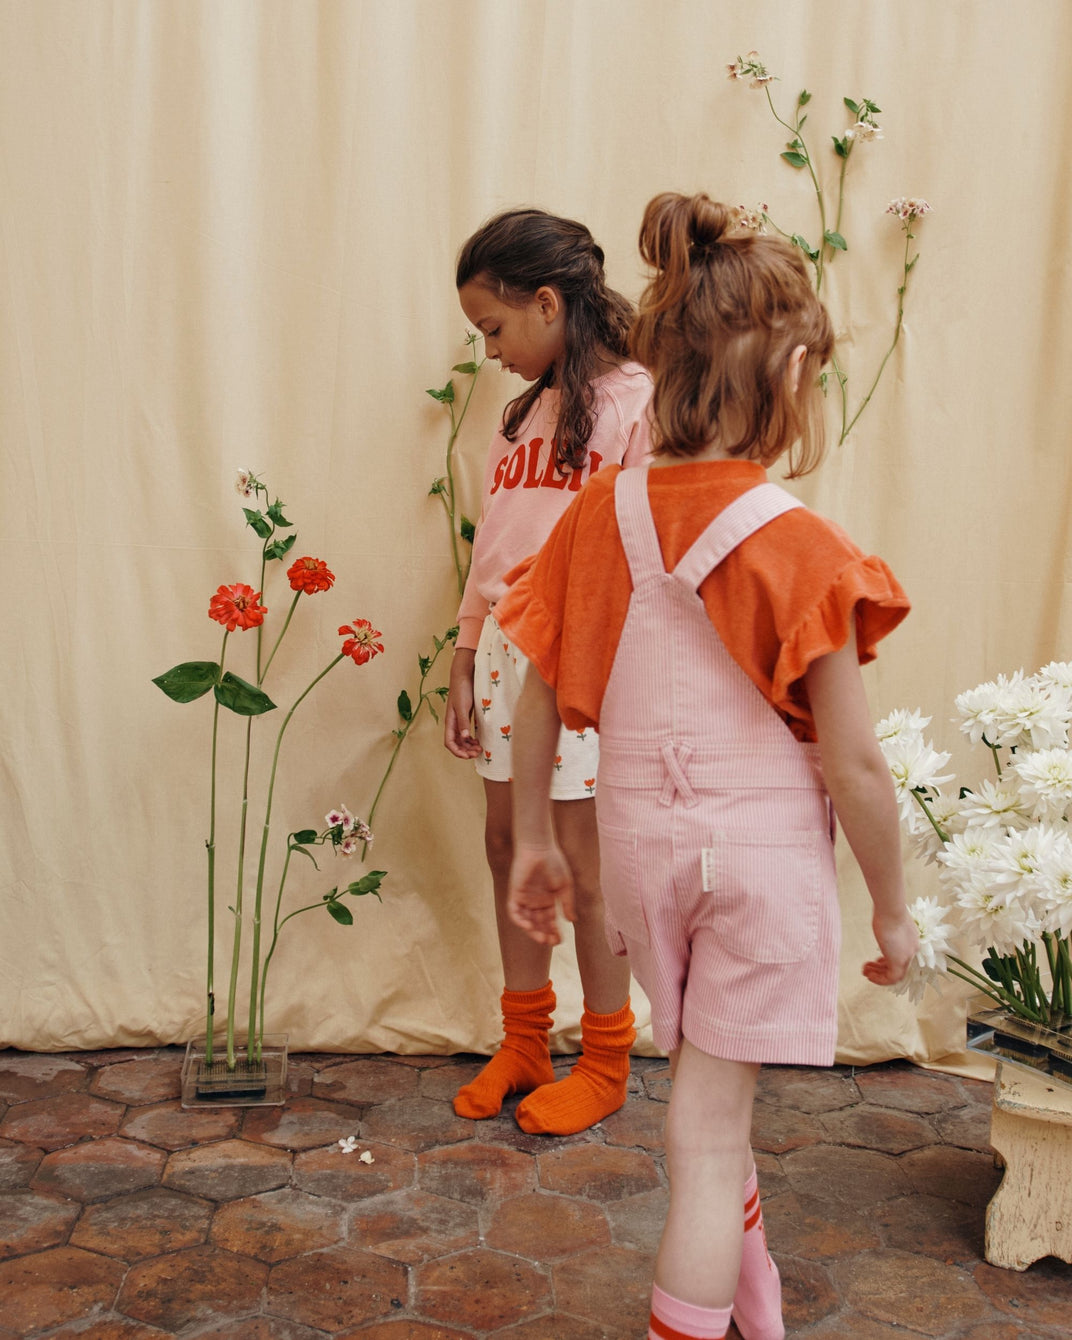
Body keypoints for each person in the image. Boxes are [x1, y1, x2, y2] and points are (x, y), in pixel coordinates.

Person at [495, 192, 920, 1340]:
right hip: (759, 867)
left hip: (641, 859)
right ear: (789, 376)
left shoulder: (598, 516)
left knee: (702, 1083)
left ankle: (753, 1308)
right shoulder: (800, 542)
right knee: (708, 1128)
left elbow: (534, 694)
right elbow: (855, 764)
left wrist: (532, 840)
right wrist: (892, 908)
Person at [443, 207, 654, 1136]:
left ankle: (605, 1059)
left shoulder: (639, 402)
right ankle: (525, 1039)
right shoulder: (520, 414)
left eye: (493, 329)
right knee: (506, 844)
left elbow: (644, 549)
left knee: (584, 860)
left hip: (587, 653)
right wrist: (464, 654)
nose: (490, 351)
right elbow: (495, 543)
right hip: (504, 649)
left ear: (546, 302)